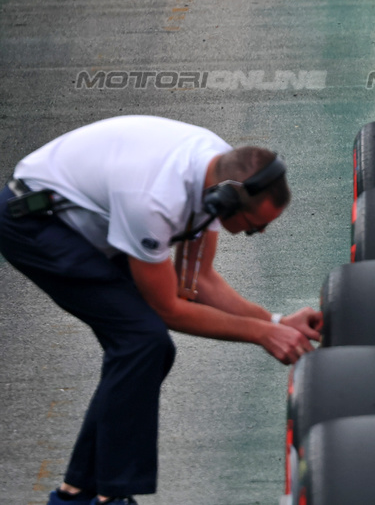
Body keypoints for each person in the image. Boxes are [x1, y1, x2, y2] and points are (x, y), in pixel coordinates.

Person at [0, 115, 322, 505]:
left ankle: (77, 494)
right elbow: (169, 308)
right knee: (143, 341)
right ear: (226, 202)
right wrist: (260, 335)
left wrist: (274, 321)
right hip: (35, 223)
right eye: (254, 227)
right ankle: (109, 496)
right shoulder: (154, 199)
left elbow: (196, 281)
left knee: (144, 349)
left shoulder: (217, 170)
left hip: (92, 222)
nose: (259, 234)